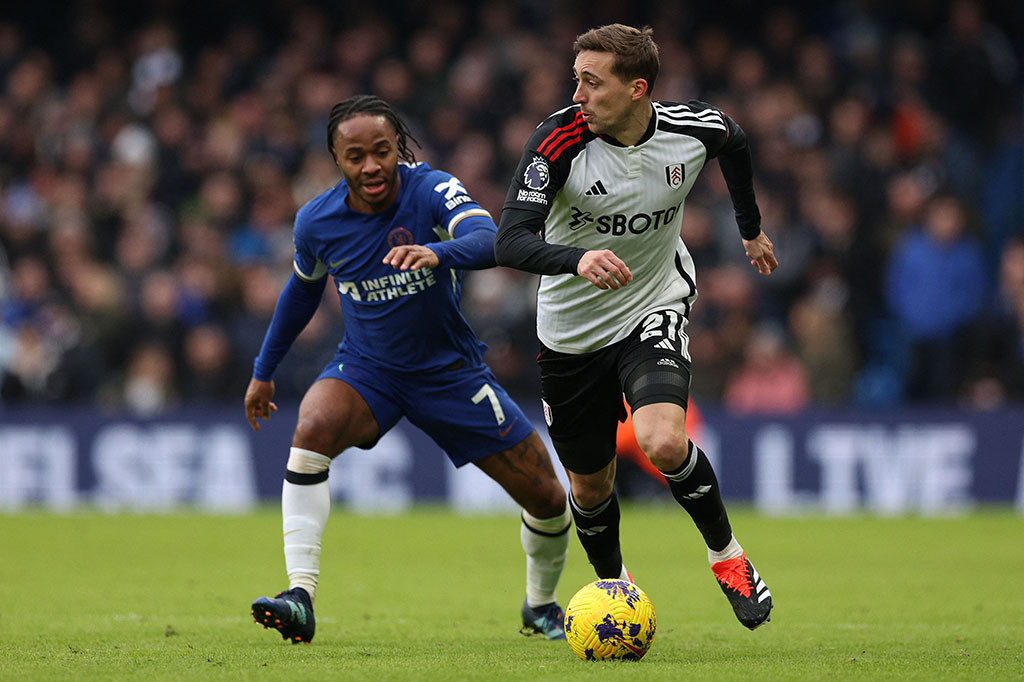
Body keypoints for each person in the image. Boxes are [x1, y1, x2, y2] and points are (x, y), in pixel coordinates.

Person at [244, 95, 571, 644]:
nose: (371, 166)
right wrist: (263, 370)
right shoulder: (317, 222)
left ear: (399, 148)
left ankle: (539, 605)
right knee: (312, 427)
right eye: (355, 156)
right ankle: (299, 595)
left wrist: (437, 253)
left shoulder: (432, 189)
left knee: (548, 497)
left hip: (451, 373)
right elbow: (300, 296)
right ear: (336, 158)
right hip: (368, 369)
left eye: (381, 151)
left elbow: (491, 239)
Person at [495, 24, 778, 630]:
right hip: (570, 332)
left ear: (636, 89)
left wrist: (749, 228)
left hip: (654, 303)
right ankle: (615, 590)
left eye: (591, 83)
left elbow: (736, 141)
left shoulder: (690, 130)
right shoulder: (557, 140)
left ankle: (728, 558)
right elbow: (509, 239)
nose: (577, 95)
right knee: (591, 486)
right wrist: (577, 258)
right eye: (576, 80)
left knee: (663, 441)